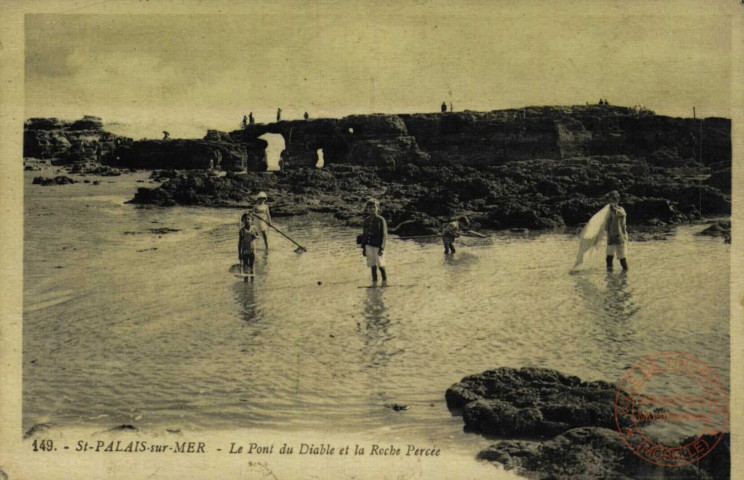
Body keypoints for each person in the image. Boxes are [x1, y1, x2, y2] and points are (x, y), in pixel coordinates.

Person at [360, 198, 388, 284]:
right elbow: (364, 234)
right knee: (372, 264)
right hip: (368, 245)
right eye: (369, 207)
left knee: (380, 264)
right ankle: (374, 281)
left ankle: (384, 281)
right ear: (367, 209)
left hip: (378, 246)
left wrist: (382, 248)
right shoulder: (366, 220)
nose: (372, 209)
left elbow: (384, 235)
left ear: (377, 208)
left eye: (374, 207)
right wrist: (363, 247)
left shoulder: (381, 220)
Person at [605, 191, 628, 271]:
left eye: (612, 200)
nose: (610, 202)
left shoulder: (620, 210)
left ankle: (623, 279)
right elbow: (606, 225)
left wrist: (614, 210)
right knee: (609, 258)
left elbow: (622, 218)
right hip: (611, 237)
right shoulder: (608, 211)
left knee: (622, 260)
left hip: (618, 237)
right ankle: (610, 280)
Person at [238, 213, 260, 281]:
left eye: (249, 219)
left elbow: (258, 236)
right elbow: (240, 243)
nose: (247, 220)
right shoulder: (241, 230)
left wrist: (255, 236)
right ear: (243, 220)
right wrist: (239, 253)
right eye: (245, 219)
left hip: (252, 250)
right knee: (245, 267)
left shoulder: (254, 228)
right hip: (244, 251)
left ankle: (252, 284)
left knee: (252, 267)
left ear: (252, 220)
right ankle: (246, 284)